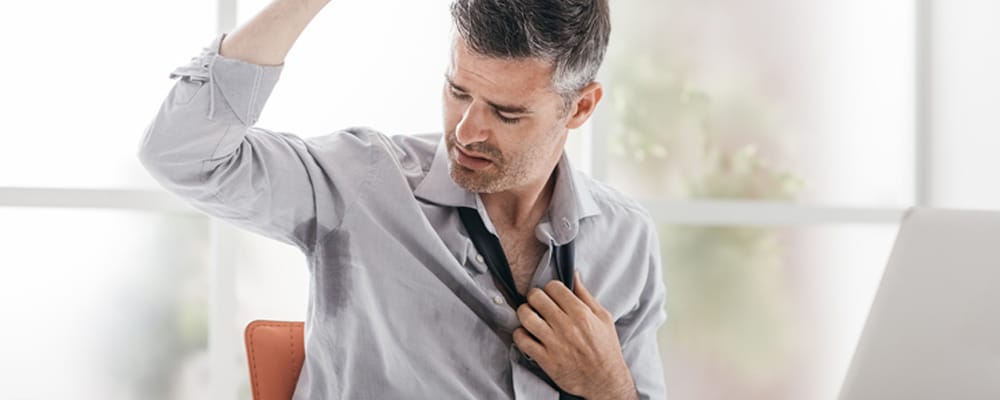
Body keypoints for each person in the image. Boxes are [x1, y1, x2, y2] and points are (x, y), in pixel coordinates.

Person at [138, 0, 667, 398]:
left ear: (580, 109)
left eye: (506, 113)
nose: (467, 130)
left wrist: (609, 388)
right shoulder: (363, 183)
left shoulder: (626, 241)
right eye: (458, 91)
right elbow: (181, 153)